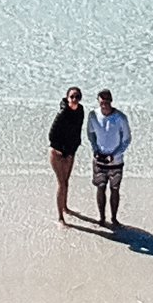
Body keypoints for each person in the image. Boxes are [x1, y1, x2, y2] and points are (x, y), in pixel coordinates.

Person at [87, 89, 131, 232]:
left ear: (111, 101)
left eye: (107, 101)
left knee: (115, 189)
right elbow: (90, 133)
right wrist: (95, 149)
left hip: (116, 161)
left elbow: (127, 139)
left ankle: (114, 218)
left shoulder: (120, 118)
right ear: (98, 101)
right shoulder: (93, 115)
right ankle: (101, 217)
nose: (104, 104)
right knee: (100, 187)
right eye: (102, 102)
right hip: (99, 160)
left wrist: (115, 154)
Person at [47, 87, 85, 223]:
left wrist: (72, 151)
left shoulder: (80, 110)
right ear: (67, 98)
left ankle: (65, 207)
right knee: (61, 184)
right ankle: (60, 217)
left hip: (69, 152)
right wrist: (61, 150)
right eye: (72, 97)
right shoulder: (63, 113)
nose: (74, 99)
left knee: (66, 182)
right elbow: (51, 135)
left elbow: (77, 132)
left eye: (77, 96)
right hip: (57, 153)